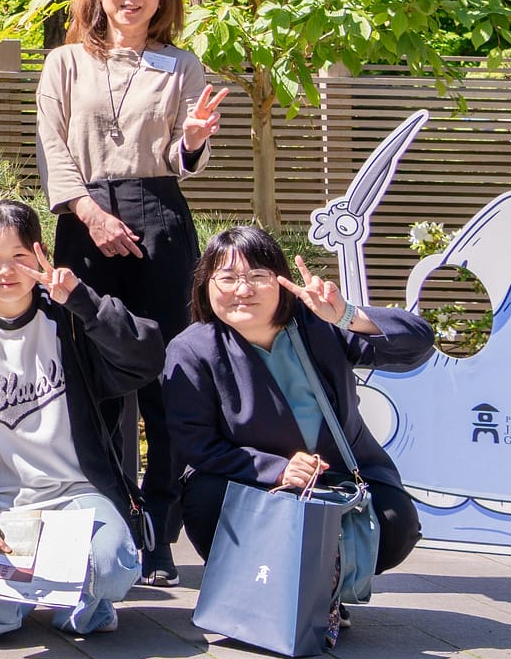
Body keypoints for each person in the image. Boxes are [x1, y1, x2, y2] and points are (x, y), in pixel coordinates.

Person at [36, 0, 230, 583]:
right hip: (83, 218)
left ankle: (158, 532)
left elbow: (184, 155)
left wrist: (192, 140)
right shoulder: (66, 62)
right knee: (91, 374)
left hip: (159, 217)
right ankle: (107, 517)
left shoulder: (182, 65)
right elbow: (52, 145)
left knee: (166, 376)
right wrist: (91, 215)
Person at [0, 202, 163, 644]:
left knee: (111, 567)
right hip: (3, 506)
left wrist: (84, 302)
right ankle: (43, 589)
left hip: (78, 495)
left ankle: (77, 599)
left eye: (19, 256)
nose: (6, 270)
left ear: (41, 255)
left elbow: (145, 359)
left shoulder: (68, 315)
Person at [162, 225, 431, 587]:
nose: (242, 290)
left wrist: (346, 315)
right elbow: (195, 443)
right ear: (205, 285)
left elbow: (418, 342)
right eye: (227, 278)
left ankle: (327, 585)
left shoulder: (319, 324)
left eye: (257, 276)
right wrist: (277, 469)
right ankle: (268, 589)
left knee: (395, 523)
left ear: (281, 281)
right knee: (206, 501)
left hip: (339, 475)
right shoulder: (193, 349)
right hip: (249, 479)